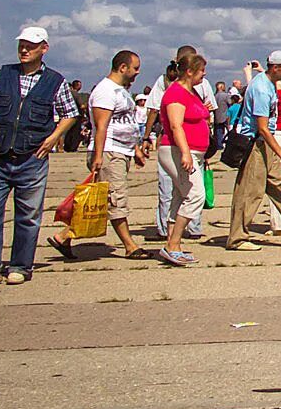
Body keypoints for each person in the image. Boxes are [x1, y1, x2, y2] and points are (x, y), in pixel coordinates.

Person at [0, 26, 79, 287]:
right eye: (22, 44)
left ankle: (20, 265)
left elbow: (70, 113)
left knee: (28, 215)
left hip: (31, 157)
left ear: (44, 48)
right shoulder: (4, 74)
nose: (24, 49)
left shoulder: (55, 80)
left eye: (31, 45)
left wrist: (54, 137)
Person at [48, 50, 152, 261]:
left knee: (101, 201)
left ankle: (64, 237)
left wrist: (136, 149)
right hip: (109, 153)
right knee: (115, 200)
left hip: (121, 151)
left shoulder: (121, 91)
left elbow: (128, 125)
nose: (137, 72)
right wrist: (98, 156)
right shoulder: (105, 91)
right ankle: (130, 246)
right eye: (135, 68)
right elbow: (102, 127)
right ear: (123, 67)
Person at [227, 52, 281, 250]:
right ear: (276, 67)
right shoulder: (261, 89)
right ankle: (237, 238)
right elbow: (263, 128)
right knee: (250, 192)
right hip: (255, 145)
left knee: (279, 184)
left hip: (265, 144)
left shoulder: (267, 84)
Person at [157, 50, 212, 267]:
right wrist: (186, 152)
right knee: (196, 195)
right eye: (201, 71)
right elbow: (175, 124)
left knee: (180, 197)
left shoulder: (191, 92)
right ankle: (173, 243)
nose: (204, 75)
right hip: (176, 150)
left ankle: (173, 245)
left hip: (195, 152)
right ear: (189, 72)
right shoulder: (176, 93)